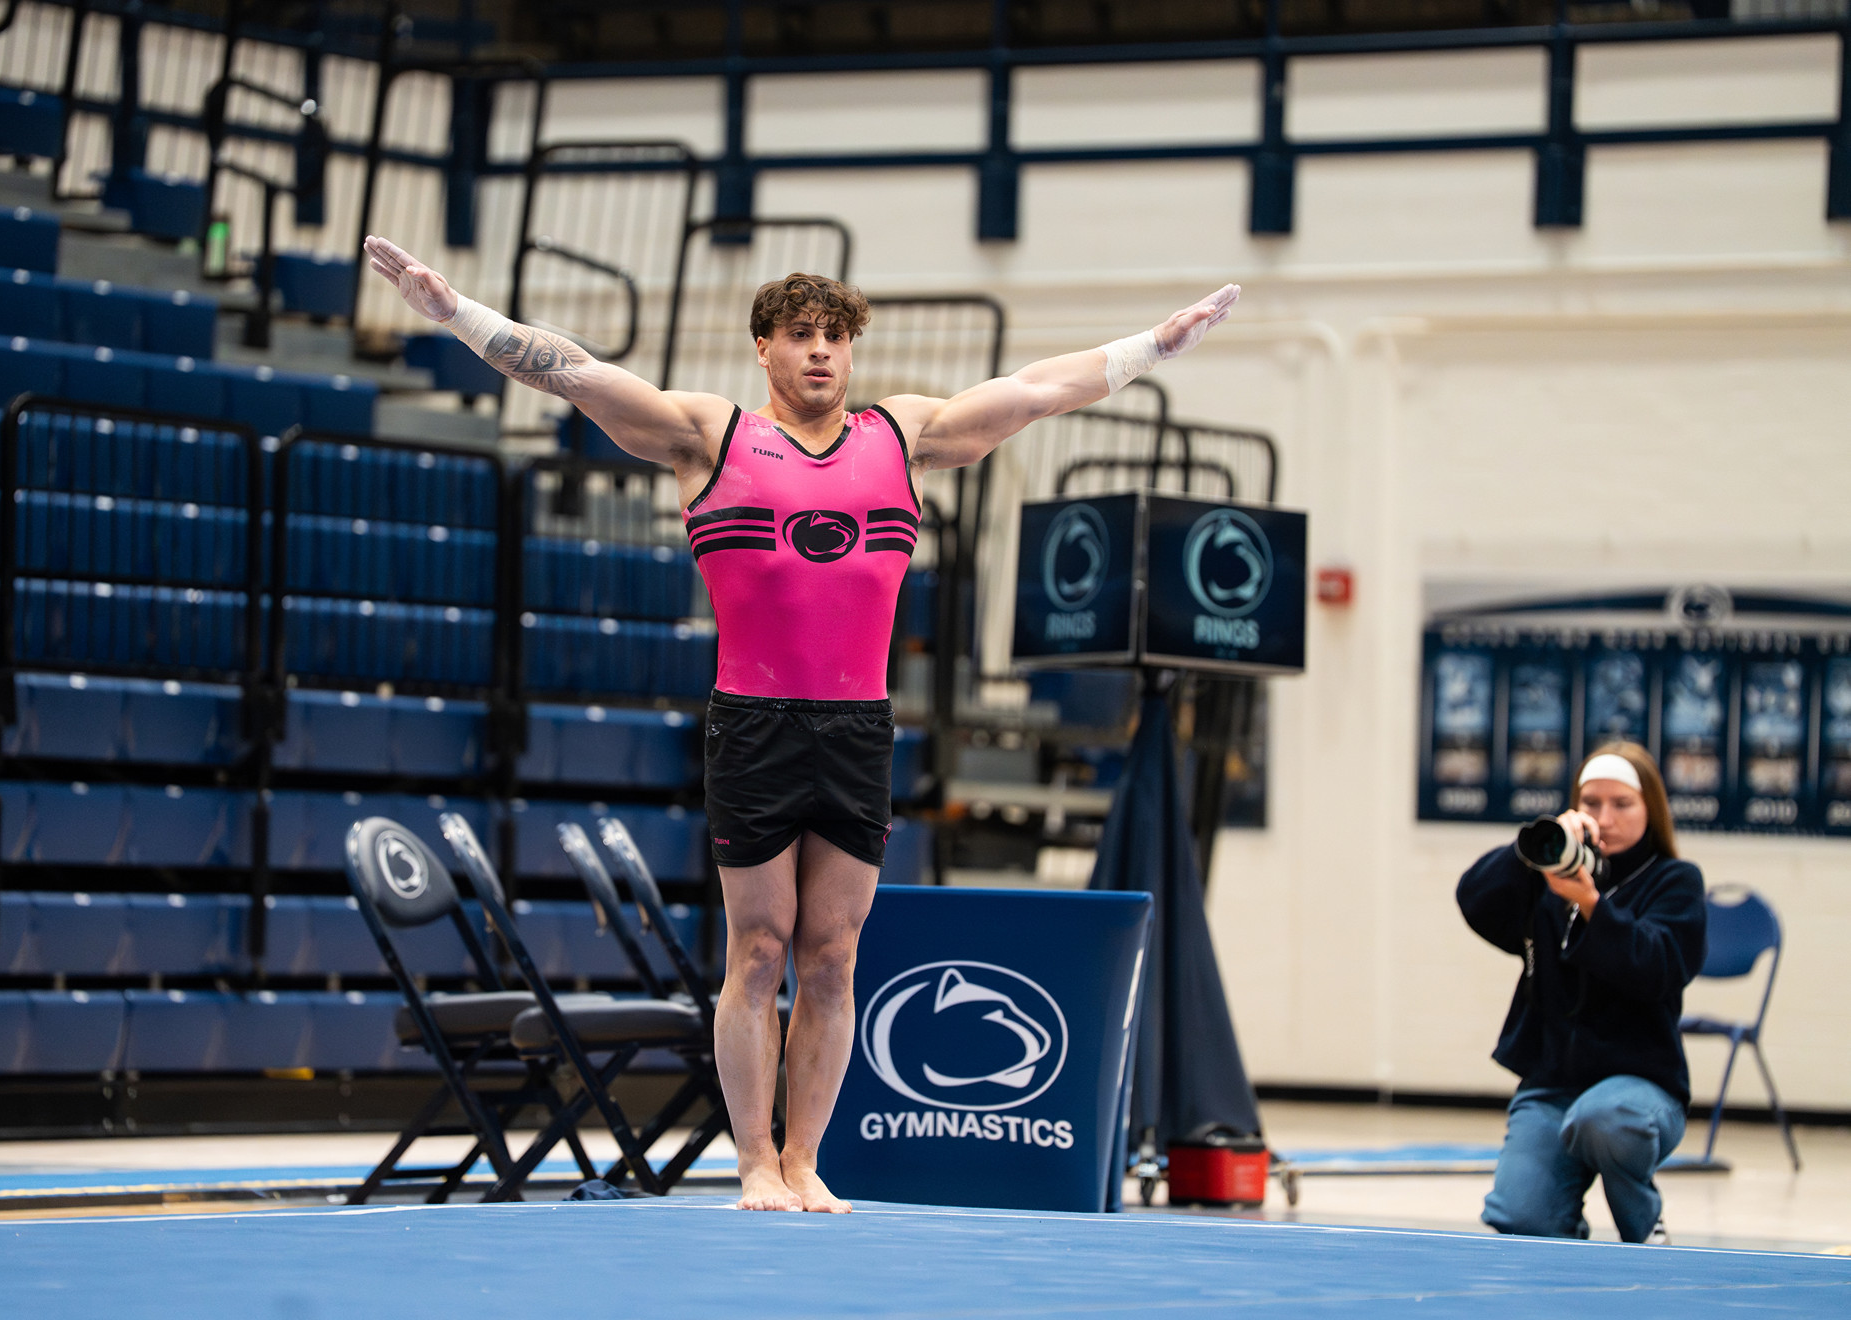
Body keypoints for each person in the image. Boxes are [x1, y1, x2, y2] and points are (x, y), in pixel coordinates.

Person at [363, 233, 1239, 1212]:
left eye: (835, 336)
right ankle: (750, 1161)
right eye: (800, 334)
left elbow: (1035, 390)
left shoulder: (901, 437)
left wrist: (1152, 347)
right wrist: (457, 314)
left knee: (832, 956)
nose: (821, 351)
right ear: (764, 350)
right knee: (759, 949)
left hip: (859, 728)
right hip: (754, 722)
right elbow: (575, 375)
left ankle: (805, 1160)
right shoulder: (712, 436)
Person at [1456, 741, 1707, 1243]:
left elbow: (1657, 966)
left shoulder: (1675, 881)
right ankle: (1564, 1221)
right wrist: (1530, 851)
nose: (1605, 817)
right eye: (1592, 803)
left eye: (1622, 804)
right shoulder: (1549, 879)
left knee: (1603, 1118)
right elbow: (1474, 899)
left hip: (1640, 1087)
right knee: (1520, 1219)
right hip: (1554, 1084)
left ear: (1649, 810)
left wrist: (1593, 904)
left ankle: (1643, 1224)